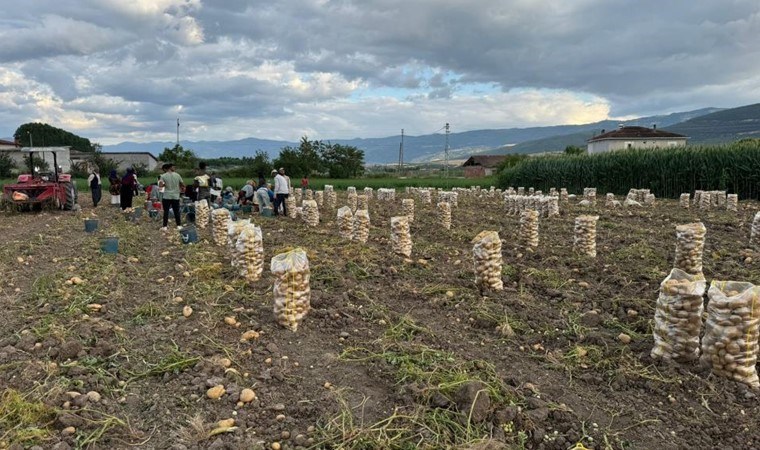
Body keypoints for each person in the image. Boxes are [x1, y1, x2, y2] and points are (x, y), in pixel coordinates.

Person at [159, 163, 184, 230]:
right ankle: (178, 225)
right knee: (176, 211)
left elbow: (160, 185)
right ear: (170, 168)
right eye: (173, 167)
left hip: (166, 196)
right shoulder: (177, 175)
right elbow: (182, 184)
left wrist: (165, 185)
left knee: (166, 211)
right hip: (176, 196)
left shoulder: (163, 176)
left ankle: (165, 226)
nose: (174, 168)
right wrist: (180, 188)